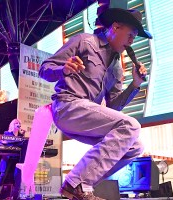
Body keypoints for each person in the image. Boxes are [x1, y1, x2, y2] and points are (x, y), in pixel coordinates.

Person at [39, 8, 152, 200]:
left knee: (135, 146)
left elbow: (114, 108)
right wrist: (63, 69)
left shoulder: (116, 67)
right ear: (115, 27)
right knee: (131, 125)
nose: (132, 41)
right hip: (67, 106)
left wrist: (135, 84)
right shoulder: (84, 41)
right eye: (131, 35)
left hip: (86, 115)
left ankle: (83, 187)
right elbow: (44, 69)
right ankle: (76, 183)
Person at [0, 119, 27, 200]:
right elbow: (1, 142)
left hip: (17, 159)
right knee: (2, 176)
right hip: (8, 158)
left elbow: (22, 145)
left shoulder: (20, 136)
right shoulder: (7, 133)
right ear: (12, 125)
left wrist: (22, 135)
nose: (18, 124)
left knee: (17, 178)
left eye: (19, 123)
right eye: (16, 123)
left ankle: (14, 196)